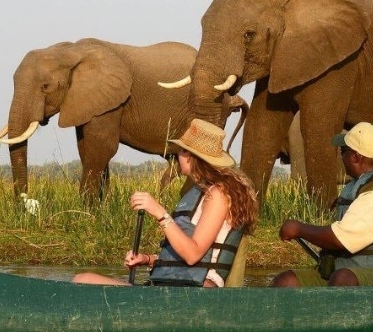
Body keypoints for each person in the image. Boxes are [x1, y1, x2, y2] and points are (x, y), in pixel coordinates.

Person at [73, 118, 259, 287]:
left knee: (82, 281)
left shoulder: (218, 194)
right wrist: (148, 259)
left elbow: (193, 255)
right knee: (83, 279)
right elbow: (183, 258)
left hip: (195, 292)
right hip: (174, 287)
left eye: (182, 150)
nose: (178, 154)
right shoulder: (201, 192)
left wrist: (160, 213)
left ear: (192, 156)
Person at [271, 122, 373, 287]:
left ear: (355, 157)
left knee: (343, 279)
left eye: (343, 152)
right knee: (286, 281)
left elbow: (341, 239)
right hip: (350, 272)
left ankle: (336, 313)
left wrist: (298, 228)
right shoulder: (360, 185)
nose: (341, 157)